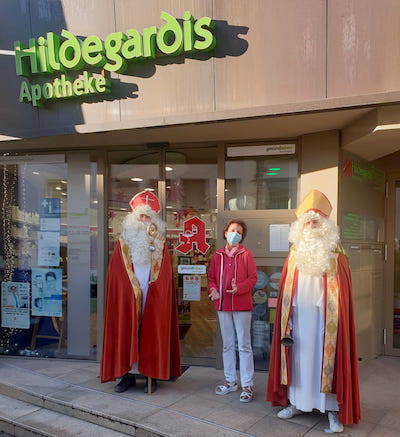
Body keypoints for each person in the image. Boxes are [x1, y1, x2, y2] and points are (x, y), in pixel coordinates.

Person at [266, 190, 360, 433]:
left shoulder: (336, 257)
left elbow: (342, 295)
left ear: (325, 226)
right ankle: (298, 403)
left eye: (316, 222)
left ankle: (331, 411)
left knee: (326, 363)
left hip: (326, 324)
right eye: (307, 222)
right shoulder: (294, 255)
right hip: (298, 320)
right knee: (297, 362)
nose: (312, 226)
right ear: (300, 227)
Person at [100, 191, 181, 393]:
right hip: (129, 295)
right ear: (133, 218)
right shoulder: (122, 244)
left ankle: (150, 375)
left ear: (154, 220)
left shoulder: (160, 245)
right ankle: (126, 376)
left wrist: (157, 290)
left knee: (151, 333)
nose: (144, 221)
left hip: (153, 295)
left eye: (148, 217)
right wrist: (128, 289)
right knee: (127, 331)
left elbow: (165, 274)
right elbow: (116, 274)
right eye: (141, 216)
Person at [208, 219, 257, 402]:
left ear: (242, 236)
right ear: (225, 231)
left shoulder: (246, 254)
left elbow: (253, 277)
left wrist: (240, 288)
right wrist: (213, 289)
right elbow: (211, 277)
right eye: (233, 229)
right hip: (222, 305)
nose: (235, 233)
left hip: (242, 305)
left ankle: (247, 385)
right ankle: (230, 381)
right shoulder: (217, 255)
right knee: (227, 344)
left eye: (239, 231)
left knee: (244, 345)